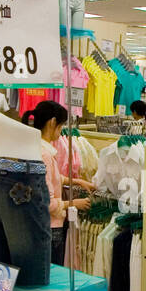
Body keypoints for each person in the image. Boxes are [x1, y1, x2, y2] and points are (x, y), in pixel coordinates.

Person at [22, 100, 90, 266]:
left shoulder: (35, 148)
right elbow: (46, 202)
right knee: (51, 274)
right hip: (50, 226)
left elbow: (51, 178)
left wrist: (77, 181)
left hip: (38, 224)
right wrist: (74, 203)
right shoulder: (44, 155)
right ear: (52, 123)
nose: (60, 133)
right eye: (60, 127)